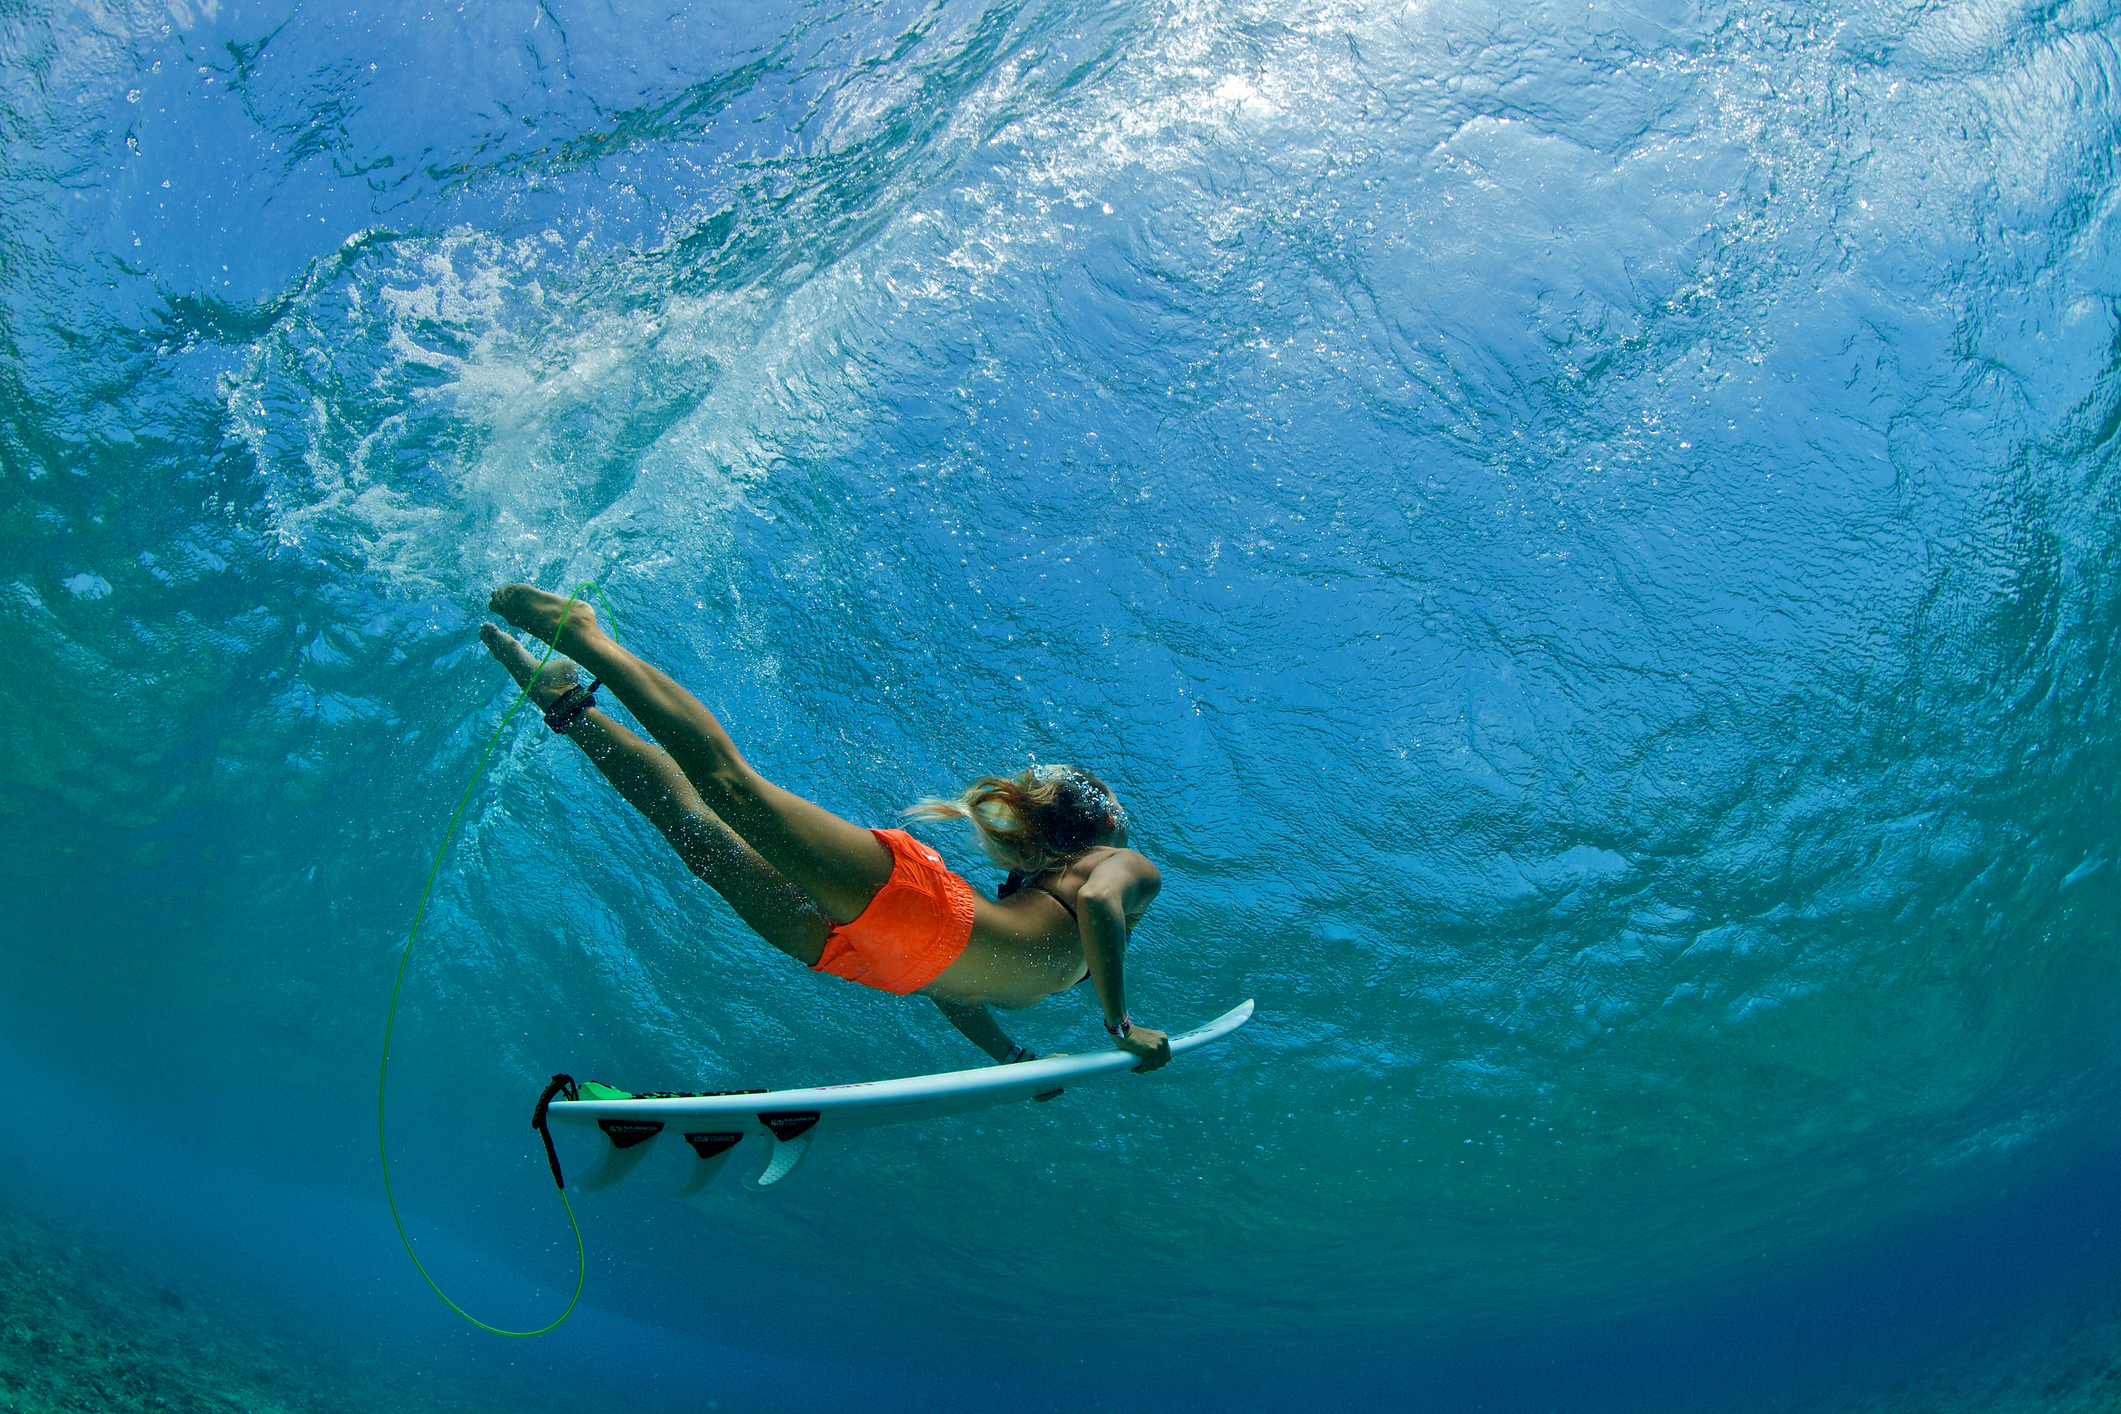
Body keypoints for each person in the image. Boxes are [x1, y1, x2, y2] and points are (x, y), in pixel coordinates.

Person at [478, 583, 1171, 1075]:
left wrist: (1016, 1062)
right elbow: (1103, 904)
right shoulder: (1125, 868)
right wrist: (1118, 1026)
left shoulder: (1037, 911)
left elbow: (953, 988)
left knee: (695, 834)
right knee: (728, 791)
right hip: (926, 922)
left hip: (883, 962)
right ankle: (586, 637)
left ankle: (564, 703)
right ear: (1101, 829)